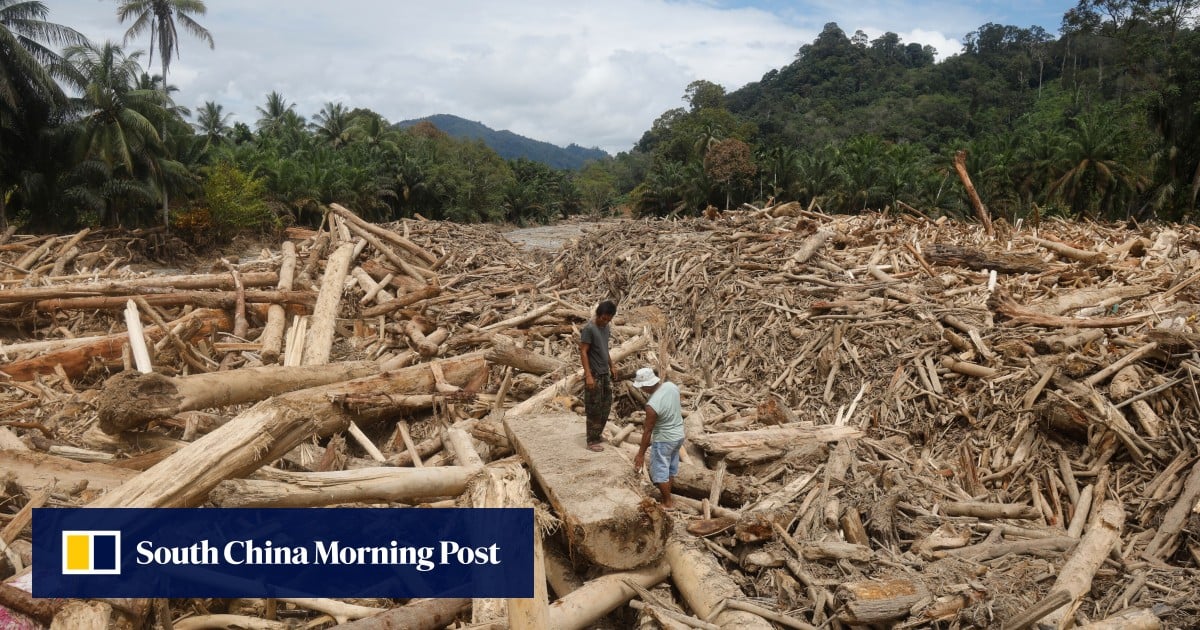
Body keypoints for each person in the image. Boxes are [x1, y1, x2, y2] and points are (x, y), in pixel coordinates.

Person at [632, 367, 684, 508]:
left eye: (642, 387)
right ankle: (668, 497)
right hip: (678, 435)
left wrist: (641, 454)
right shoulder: (671, 386)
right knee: (670, 468)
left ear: (647, 386)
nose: (641, 390)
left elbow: (648, 430)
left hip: (664, 439)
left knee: (659, 471)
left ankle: (667, 502)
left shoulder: (652, 406)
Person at [579, 300, 617, 452]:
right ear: (598, 315)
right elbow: (583, 351)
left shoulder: (606, 327)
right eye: (603, 318)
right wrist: (588, 375)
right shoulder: (589, 329)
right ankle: (591, 440)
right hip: (594, 373)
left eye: (608, 319)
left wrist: (611, 365)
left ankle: (597, 433)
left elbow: (604, 348)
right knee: (593, 407)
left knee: (606, 405)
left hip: (604, 372)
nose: (605, 322)